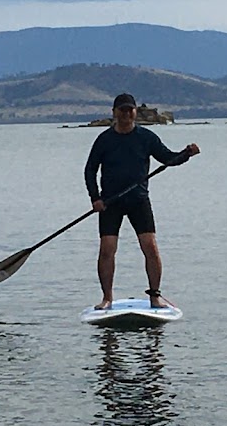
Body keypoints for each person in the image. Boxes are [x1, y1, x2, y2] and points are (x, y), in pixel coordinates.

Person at [84, 93, 200, 309]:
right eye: (122, 110)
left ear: (135, 112)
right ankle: (107, 298)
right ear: (114, 113)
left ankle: (155, 296)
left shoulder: (146, 138)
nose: (126, 114)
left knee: (150, 247)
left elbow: (168, 158)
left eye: (130, 110)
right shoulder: (104, 140)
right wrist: (95, 198)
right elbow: (90, 170)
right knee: (107, 249)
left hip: (138, 200)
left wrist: (187, 154)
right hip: (110, 203)